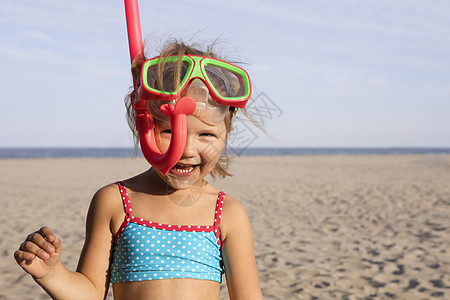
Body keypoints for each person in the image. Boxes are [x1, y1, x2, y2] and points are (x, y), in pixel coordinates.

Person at [14, 40, 263, 300]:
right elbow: (90, 292)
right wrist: (51, 274)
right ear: (141, 125)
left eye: (207, 134)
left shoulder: (227, 214)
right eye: (169, 131)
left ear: (227, 133)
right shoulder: (114, 201)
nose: (187, 150)